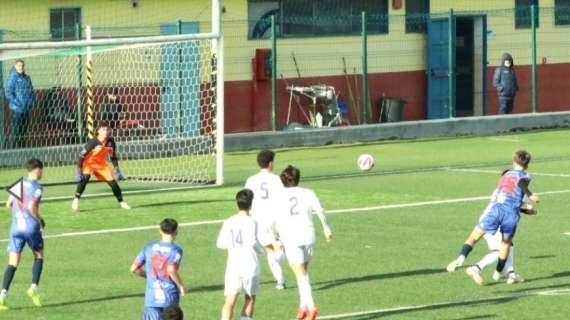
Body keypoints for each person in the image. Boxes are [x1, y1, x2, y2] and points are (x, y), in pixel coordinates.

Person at [446, 150, 539, 286]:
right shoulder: (521, 180)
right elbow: (519, 190)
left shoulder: (503, 185)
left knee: (505, 244)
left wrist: (526, 208)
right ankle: (477, 269)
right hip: (499, 217)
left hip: (492, 214)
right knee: (502, 248)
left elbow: (512, 199)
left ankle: (509, 272)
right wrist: (529, 203)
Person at [275, 165, 332, 320]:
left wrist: (277, 239)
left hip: (291, 238)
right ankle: (303, 307)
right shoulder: (308, 193)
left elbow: (276, 219)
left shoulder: (279, 196)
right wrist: (327, 229)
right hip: (308, 236)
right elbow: (320, 210)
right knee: (304, 272)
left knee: (299, 275)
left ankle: (312, 306)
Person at [0, 159, 46, 310]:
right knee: (39, 256)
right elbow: (32, 206)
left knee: (12, 263)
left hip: (15, 228)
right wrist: (40, 220)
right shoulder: (38, 188)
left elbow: (8, 204)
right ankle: (33, 288)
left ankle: (3, 295)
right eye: (42, 170)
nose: (42, 173)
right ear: (37, 170)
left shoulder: (18, 184)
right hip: (31, 228)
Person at [217, 189, 264, 320]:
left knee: (229, 302)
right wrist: (261, 252)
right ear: (251, 204)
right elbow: (253, 242)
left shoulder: (229, 221)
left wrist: (233, 246)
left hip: (233, 267)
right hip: (250, 266)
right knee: (250, 299)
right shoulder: (252, 222)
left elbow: (220, 244)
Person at [244, 150, 286, 289]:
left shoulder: (251, 180)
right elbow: (283, 199)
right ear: (270, 163)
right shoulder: (276, 179)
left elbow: (246, 199)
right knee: (281, 249)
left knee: (270, 250)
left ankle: (280, 281)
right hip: (275, 219)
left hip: (258, 220)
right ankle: (282, 278)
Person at [130, 218, 188, 320]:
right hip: (169, 298)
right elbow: (171, 269)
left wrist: (149, 276)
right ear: (176, 232)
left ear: (160, 230)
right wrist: (181, 286)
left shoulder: (149, 247)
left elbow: (134, 268)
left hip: (151, 298)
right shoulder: (176, 250)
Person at [72, 122, 130, 212]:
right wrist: (79, 171)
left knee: (113, 183)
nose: (106, 131)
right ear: (98, 131)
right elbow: (81, 156)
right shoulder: (93, 142)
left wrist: (117, 170)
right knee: (85, 178)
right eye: (103, 129)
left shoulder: (111, 142)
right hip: (89, 163)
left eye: (107, 129)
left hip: (101, 165)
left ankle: (121, 202)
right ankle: (76, 199)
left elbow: (113, 157)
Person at [4, 59, 34, 148]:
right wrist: (18, 103)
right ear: (15, 66)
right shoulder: (12, 78)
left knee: (24, 130)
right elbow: (8, 93)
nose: (21, 67)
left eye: (22, 65)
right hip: (16, 109)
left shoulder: (27, 78)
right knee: (16, 130)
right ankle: (14, 149)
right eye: (19, 66)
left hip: (26, 109)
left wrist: (31, 102)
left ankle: (23, 148)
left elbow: (31, 91)